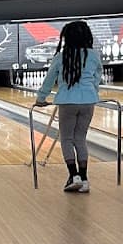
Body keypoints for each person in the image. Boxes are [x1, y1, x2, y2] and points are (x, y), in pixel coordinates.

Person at [34, 20, 101, 193]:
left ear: (67, 38)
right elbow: (96, 78)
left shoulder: (61, 56)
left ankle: (74, 176)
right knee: (80, 138)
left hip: (67, 101)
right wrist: (92, 92)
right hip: (88, 101)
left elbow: (49, 80)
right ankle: (84, 179)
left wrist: (41, 98)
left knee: (66, 139)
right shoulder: (93, 55)